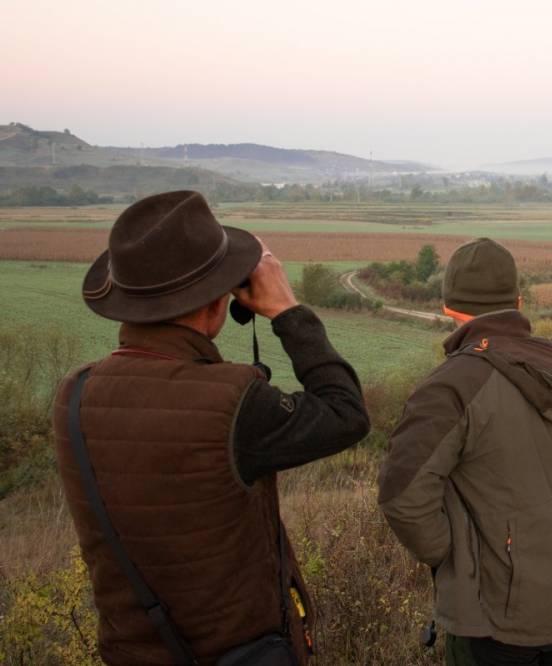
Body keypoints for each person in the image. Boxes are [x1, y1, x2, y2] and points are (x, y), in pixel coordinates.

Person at [51, 190, 370, 665]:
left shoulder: (73, 395)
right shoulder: (234, 403)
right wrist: (286, 310)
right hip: (241, 653)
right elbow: (346, 413)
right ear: (216, 302)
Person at [378, 237, 552, 666]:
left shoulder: (451, 386)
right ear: (517, 301)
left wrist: (455, 556)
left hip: (494, 617)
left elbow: (401, 498)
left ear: (447, 307)